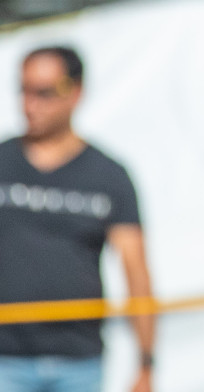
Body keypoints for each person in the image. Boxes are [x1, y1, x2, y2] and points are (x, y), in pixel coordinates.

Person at [0, 47, 155, 392]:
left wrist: (146, 362)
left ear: (75, 93)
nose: (30, 104)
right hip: (5, 359)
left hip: (78, 362)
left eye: (44, 92)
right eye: (23, 90)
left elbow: (136, 270)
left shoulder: (108, 176)